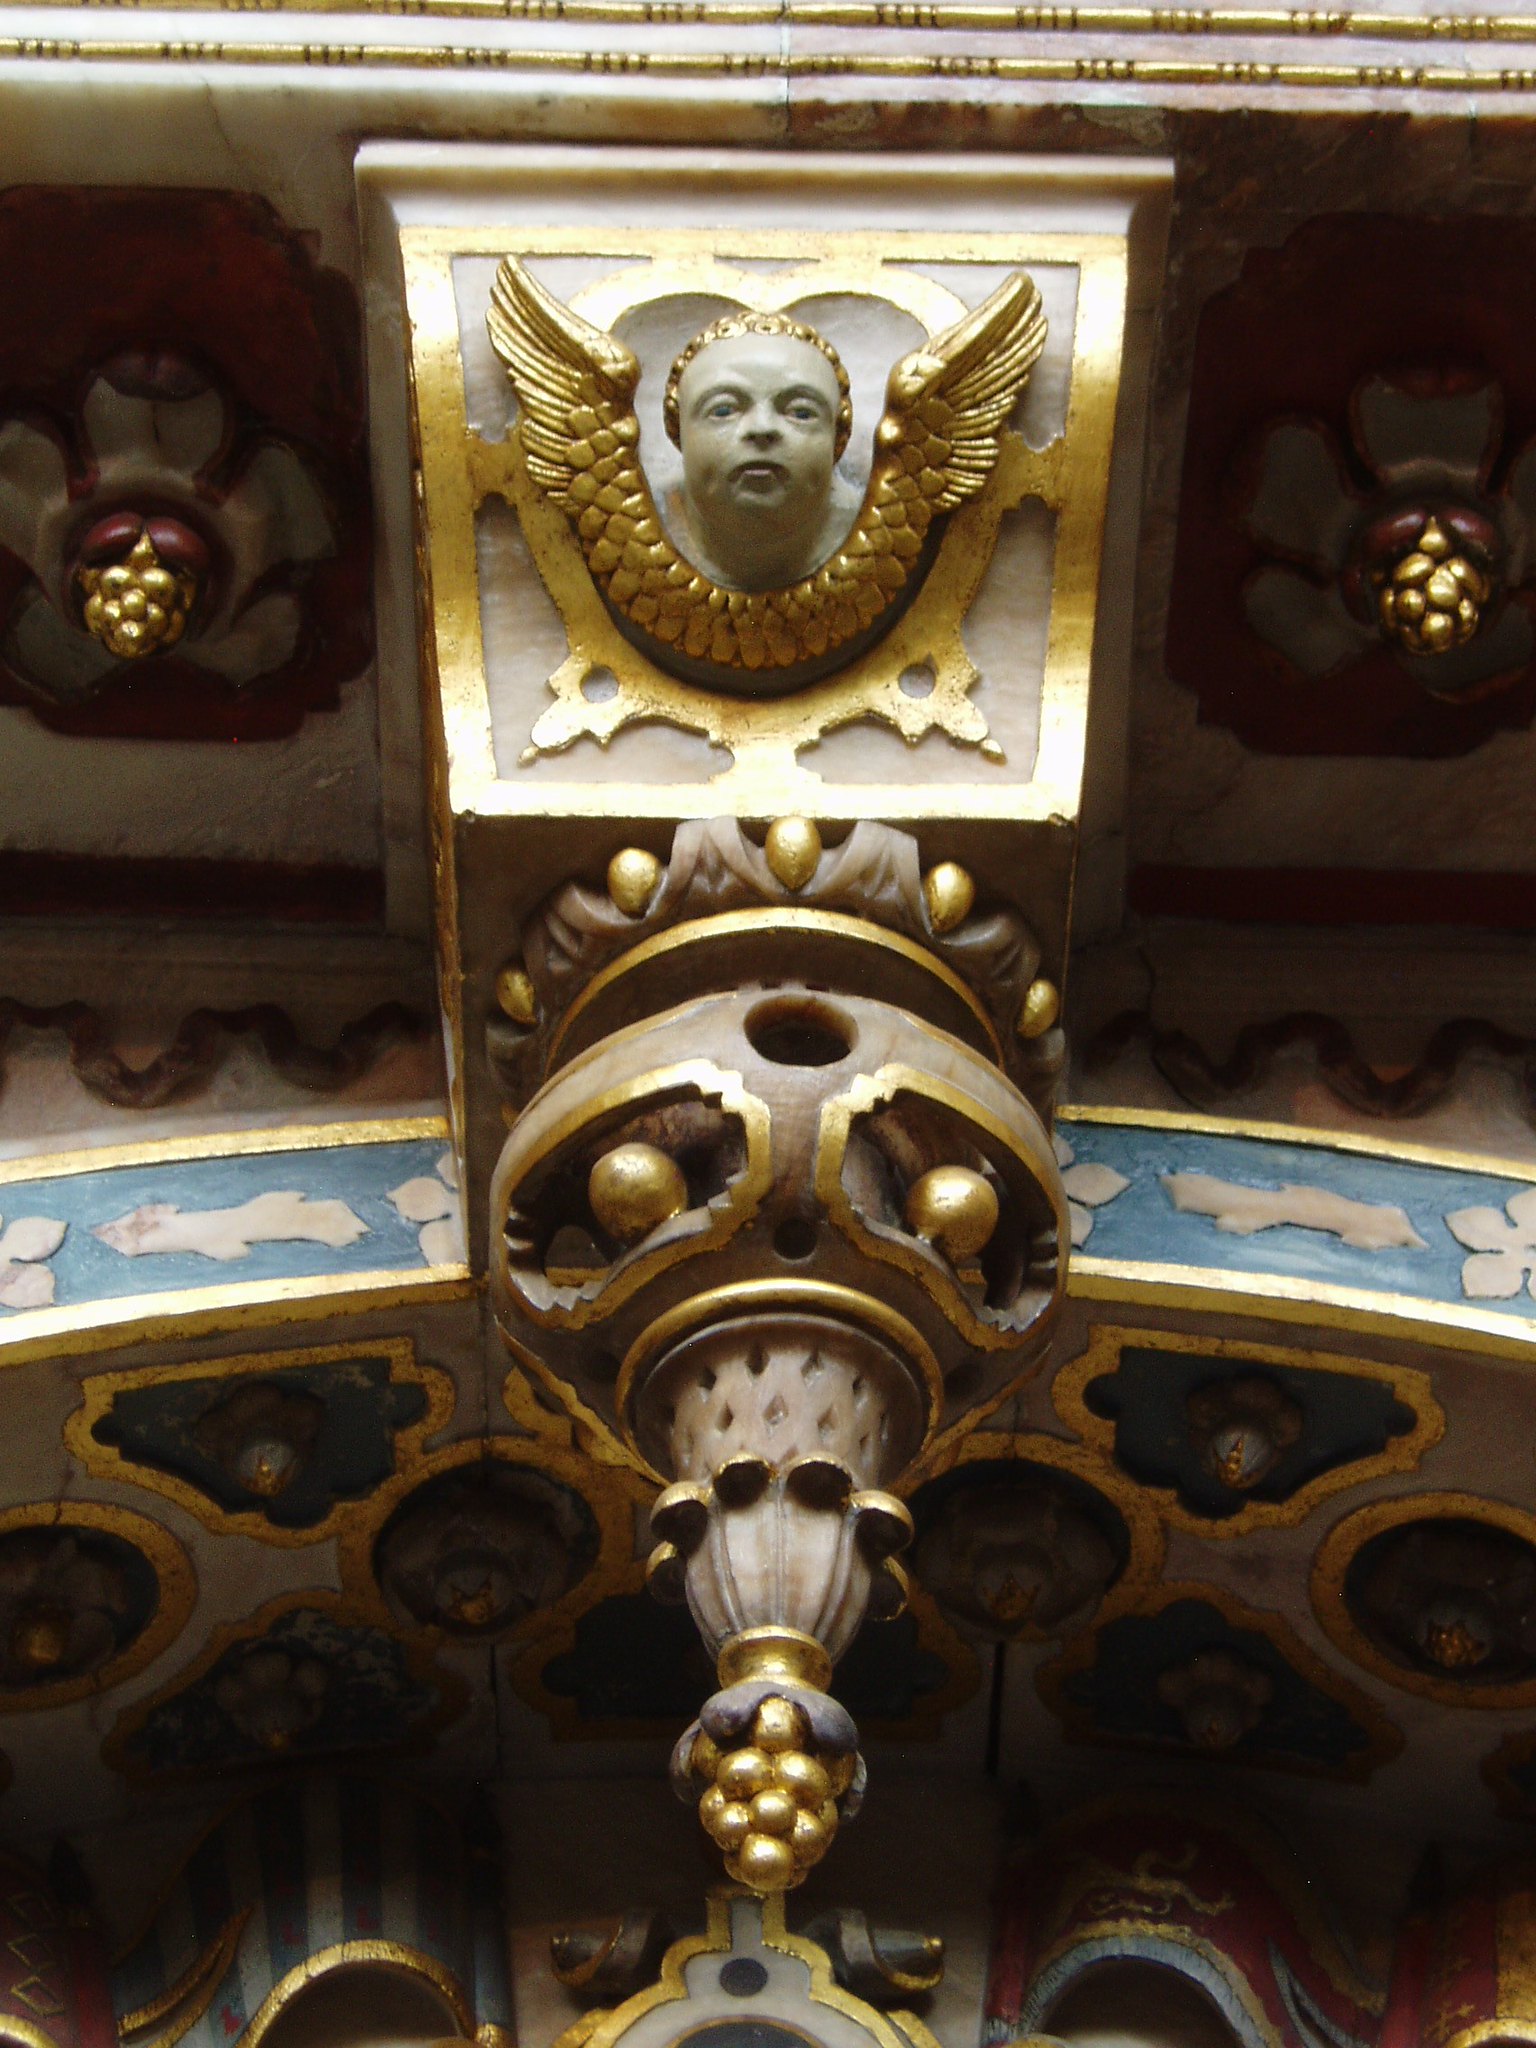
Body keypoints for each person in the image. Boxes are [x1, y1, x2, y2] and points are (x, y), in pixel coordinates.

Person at [663, 311, 862, 592]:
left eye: (801, 413)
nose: (762, 428)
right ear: (678, 430)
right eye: (723, 410)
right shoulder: (634, 525)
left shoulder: (881, 529)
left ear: (838, 437)